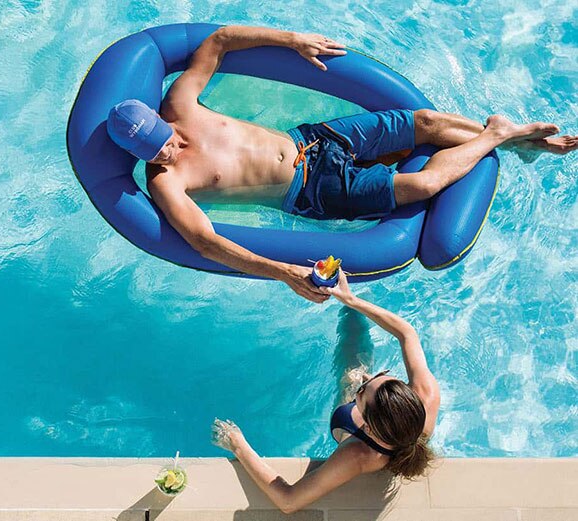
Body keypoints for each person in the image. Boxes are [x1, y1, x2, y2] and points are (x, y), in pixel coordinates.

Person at [106, 25, 577, 303]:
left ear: (158, 120)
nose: (169, 150)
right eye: (156, 152)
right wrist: (283, 271)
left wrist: (294, 40)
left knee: (425, 121)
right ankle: (500, 133)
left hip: (312, 141)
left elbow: (220, 40)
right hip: (312, 192)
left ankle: (518, 143)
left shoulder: (180, 103)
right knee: (421, 186)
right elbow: (207, 243)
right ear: (140, 158)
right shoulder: (166, 182)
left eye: (164, 140)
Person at [210, 271, 440, 514]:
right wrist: (351, 300)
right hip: (382, 423)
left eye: (362, 391)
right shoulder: (427, 394)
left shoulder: (358, 455)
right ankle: (352, 304)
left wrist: (239, 446)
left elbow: (288, 501)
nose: (366, 376)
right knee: (356, 355)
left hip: (354, 428)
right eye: (381, 376)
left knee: (350, 372)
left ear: (369, 427)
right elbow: (407, 334)